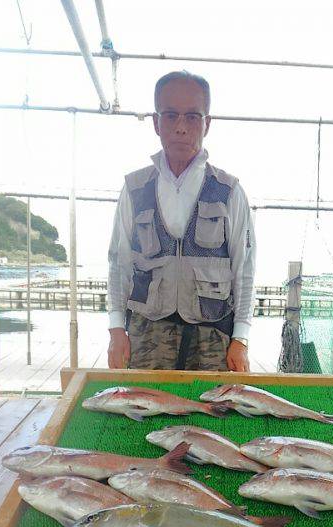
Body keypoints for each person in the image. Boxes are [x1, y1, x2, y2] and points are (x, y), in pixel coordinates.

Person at [107, 70, 256, 372]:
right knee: (143, 413)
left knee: (214, 415)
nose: (181, 127)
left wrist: (240, 339)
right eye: (171, 115)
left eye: (192, 117)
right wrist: (115, 330)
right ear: (156, 122)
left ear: (207, 124)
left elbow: (245, 268)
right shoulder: (135, 189)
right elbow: (119, 263)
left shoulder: (229, 191)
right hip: (145, 335)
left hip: (212, 338)